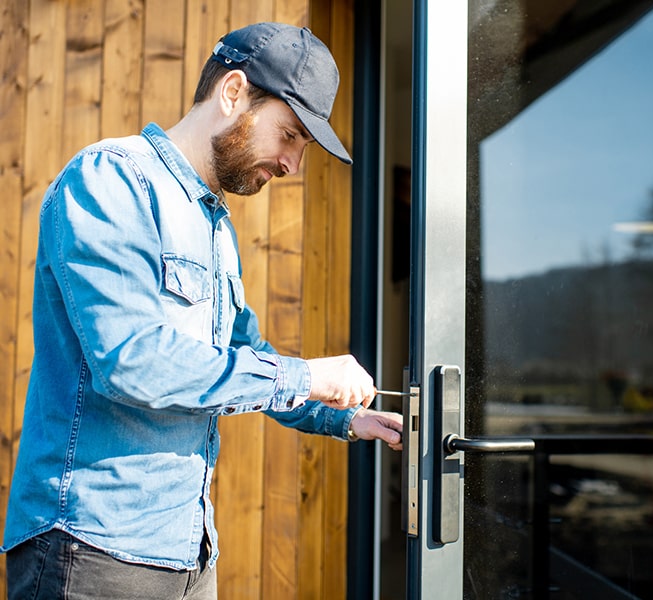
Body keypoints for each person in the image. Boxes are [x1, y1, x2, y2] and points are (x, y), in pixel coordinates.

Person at [2, 22, 402, 599]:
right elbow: (133, 360)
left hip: (189, 552)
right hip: (92, 552)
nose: (293, 164)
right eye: (289, 135)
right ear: (233, 92)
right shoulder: (111, 179)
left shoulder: (215, 226)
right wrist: (307, 376)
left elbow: (244, 357)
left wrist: (340, 417)